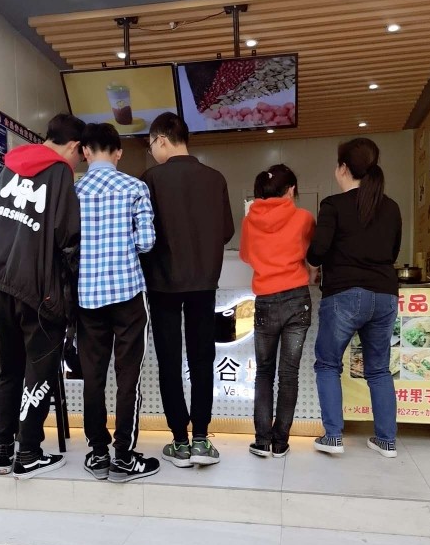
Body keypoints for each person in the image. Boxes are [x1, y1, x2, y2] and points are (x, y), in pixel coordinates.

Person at [0, 113, 85, 479]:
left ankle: (1, 451)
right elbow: (68, 236)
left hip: (2, 280)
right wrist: (70, 284)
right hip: (40, 291)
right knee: (38, 370)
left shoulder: (9, 166)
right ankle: (27, 453)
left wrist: (6, 244)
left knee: (9, 367)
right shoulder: (59, 173)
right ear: (74, 147)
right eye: (80, 155)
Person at [141, 112, 234, 468]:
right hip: (203, 282)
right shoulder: (215, 178)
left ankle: (179, 440)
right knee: (201, 359)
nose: (152, 152)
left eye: (151, 145)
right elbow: (226, 232)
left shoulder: (150, 179)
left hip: (162, 283)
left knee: (169, 360)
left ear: (162, 140)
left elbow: (143, 233)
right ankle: (201, 440)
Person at [307, 138, 402, 458]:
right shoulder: (391, 207)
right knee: (379, 370)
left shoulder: (333, 205)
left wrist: (313, 265)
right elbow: (392, 252)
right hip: (385, 294)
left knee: (328, 364)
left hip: (345, 295)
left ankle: (333, 437)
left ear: (343, 168)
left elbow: (317, 251)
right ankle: (386, 441)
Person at [76, 123, 159, 483]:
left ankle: (98, 453)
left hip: (86, 298)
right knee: (128, 378)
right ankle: (124, 457)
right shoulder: (134, 187)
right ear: (119, 153)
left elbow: (64, 243)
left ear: (85, 152)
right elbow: (147, 242)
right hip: (127, 295)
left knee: (92, 378)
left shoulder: (73, 192)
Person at [240, 165, 315, 458]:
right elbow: (313, 253)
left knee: (263, 373)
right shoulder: (304, 218)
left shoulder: (250, 221)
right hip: (297, 299)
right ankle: (280, 442)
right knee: (288, 374)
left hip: (266, 301)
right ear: (291, 189)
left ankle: (262, 441)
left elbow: (247, 256)